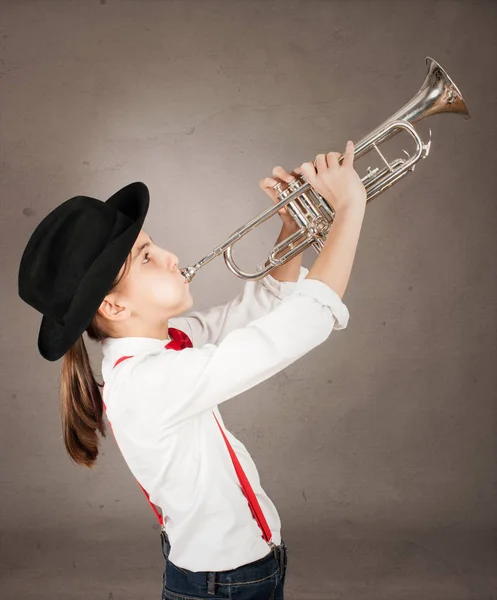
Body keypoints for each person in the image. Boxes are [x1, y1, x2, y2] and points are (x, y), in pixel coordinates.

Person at [18, 140, 366, 600]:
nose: (170, 256)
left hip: (244, 570)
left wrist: (291, 227)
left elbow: (260, 308)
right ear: (112, 304)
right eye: (145, 257)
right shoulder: (146, 383)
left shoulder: (166, 342)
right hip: (222, 585)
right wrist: (350, 209)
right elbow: (294, 329)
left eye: (153, 244)